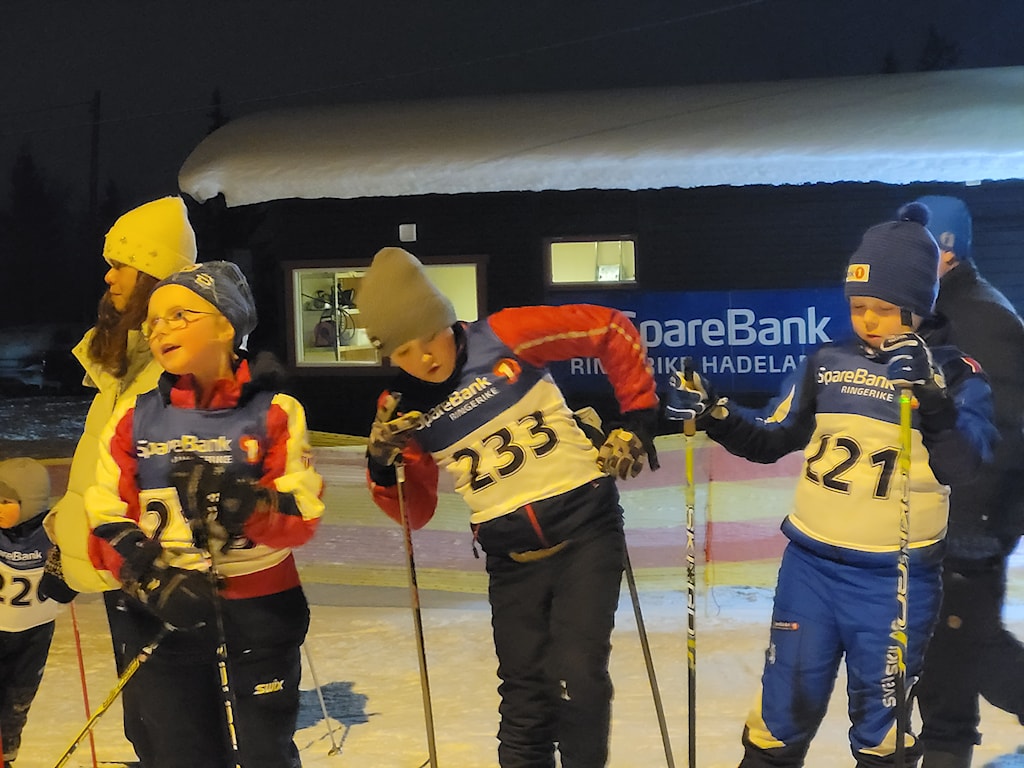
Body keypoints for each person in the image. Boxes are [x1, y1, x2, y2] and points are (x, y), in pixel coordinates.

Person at [668, 203, 995, 768]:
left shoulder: (955, 371)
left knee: (881, 730)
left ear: (918, 306)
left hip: (894, 579)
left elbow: (966, 465)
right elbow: (771, 438)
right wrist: (715, 412)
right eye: (858, 306)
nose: (869, 320)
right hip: (811, 569)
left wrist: (933, 401)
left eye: (885, 309)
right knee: (780, 714)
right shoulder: (827, 361)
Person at [357, 247, 660, 767]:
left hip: (586, 533)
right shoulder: (404, 409)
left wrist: (637, 419)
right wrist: (383, 467)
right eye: (405, 351)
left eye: (430, 336)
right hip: (512, 561)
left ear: (446, 318)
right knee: (525, 699)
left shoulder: (505, 335)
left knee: (577, 676)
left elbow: (610, 329)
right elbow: (416, 512)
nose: (424, 358)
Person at [83, 261, 325, 768]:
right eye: (153, 321)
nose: (159, 329)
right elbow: (103, 518)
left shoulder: (274, 410)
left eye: (179, 315)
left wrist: (243, 501)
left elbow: (302, 514)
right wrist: (153, 579)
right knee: (181, 752)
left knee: (264, 753)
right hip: (168, 612)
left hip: (260, 612)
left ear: (226, 326)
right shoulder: (134, 417)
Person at [907, 196, 1024, 768]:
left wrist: (974, 521)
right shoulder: (939, 312)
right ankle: (944, 746)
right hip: (948, 514)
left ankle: (946, 746)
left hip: (973, 519)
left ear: (945, 251)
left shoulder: (981, 318)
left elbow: (1005, 429)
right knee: (947, 652)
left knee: (968, 647)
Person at [0, 458, 75, 767]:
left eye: (6, 502)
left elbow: (72, 582)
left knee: (18, 701)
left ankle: (7, 754)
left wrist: (67, 569)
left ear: (30, 502)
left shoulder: (53, 531)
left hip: (35, 634)